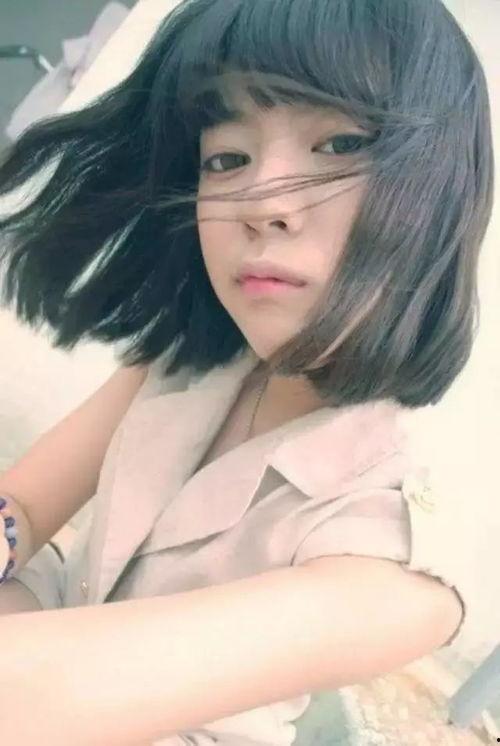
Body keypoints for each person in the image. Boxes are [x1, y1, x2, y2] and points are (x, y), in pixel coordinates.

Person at [0, 0, 495, 743]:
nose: (262, 204)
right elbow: (26, 507)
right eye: (228, 158)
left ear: (442, 192)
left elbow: (36, 693)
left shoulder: (396, 554)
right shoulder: (186, 362)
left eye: (338, 144)